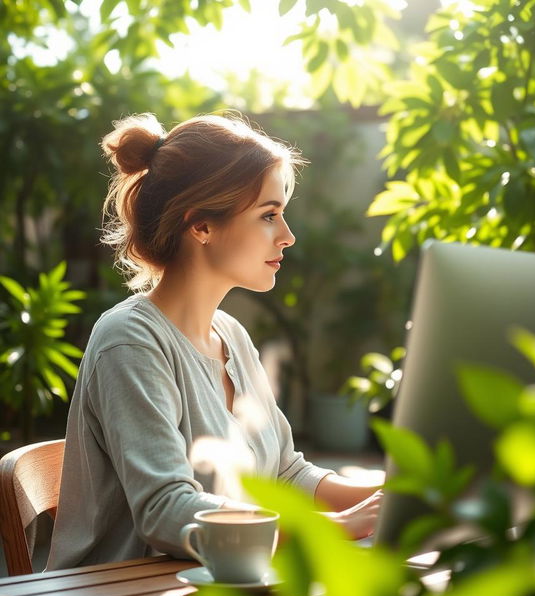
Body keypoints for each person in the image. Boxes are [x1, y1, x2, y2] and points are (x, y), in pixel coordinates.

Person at [47, 113, 382, 570]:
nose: (287, 236)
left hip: (218, 587)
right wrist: (335, 527)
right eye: (269, 216)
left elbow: (285, 472)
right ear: (200, 226)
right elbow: (166, 510)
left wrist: (391, 498)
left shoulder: (232, 337)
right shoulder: (130, 341)